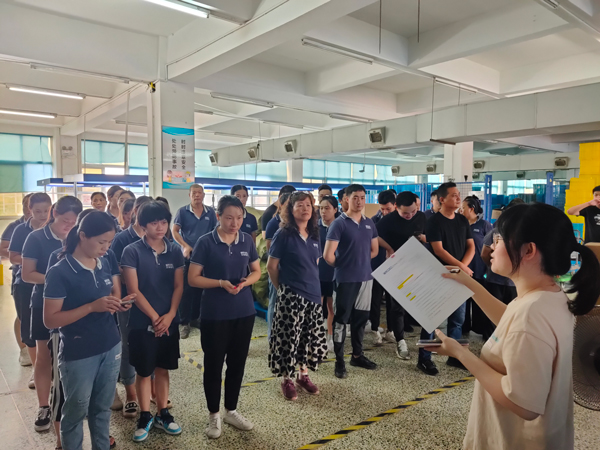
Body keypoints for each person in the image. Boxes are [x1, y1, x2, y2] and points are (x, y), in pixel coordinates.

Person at [431, 203, 600, 450]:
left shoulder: (532, 313)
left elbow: (524, 404)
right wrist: (468, 283)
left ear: (529, 250)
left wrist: (461, 353)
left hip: (516, 441)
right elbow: (512, 324)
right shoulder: (549, 296)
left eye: (499, 239)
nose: (492, 247)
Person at [44, 211, 130, 450]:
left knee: (102, 409)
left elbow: (106, 298)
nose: (106, 248)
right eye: (101, 242)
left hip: (110, 345)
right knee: (76, 411)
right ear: (82, 236)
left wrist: (116, 304)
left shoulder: (104, 262)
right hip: (79, 352)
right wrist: (92, 307)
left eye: (109, 242)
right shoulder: (60, 271)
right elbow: (50, 319)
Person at [188, 195, 261, 439]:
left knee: (237, 364)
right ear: (218, 216)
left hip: (244, 312)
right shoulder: (205, 242)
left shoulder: (246, 240)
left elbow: (256, 271)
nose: (234, 223)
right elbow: (193, 278)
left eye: (239, 218)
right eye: (229, 218)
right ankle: (214, 415)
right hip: (215, 314)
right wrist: (220, 283)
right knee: (213, 365)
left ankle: (231, 410)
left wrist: (245, 283)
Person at [121, 201, 184, 443]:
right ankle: (145, 415)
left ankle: (163, 413)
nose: (160, 227)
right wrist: (156, 318)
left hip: (169, 321)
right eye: (154, 223)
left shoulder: (175, 251)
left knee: (163, 368)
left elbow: (178, 286)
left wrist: (170, 315)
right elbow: (133, 290)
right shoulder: (132, 251)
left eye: (164, 222)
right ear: (143, 225)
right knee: (144, 370)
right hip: (141, 322)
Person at [22, 195, 82, 432]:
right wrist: (59, 279)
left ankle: (70, 404)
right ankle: (44, 406)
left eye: (73, 222)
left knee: (72, 356)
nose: (69, 225)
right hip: (43, 303)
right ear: (54, 213)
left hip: (72, 305)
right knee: (44, 356)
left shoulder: (77, 237)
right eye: (65, 220)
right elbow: (28, 274)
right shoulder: (36, 237)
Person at [268, 191, 327, 400]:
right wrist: (283, 289)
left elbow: (315, 265)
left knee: (308, 338)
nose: (305, 209)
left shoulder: (315, 234)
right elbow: (271, 266)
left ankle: (303, 375)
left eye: (308, 205)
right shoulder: (283, 234)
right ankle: (287, 379)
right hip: (291, 296)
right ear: (291, 210)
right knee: (288, 339)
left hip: (313, 295)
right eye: (300, 205)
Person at [324, 184, 379, 379]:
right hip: (345, 280)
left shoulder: (369, 223)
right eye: (355, 197)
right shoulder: (339, 224)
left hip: (366, 279)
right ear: (347, 199)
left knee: (361, 320)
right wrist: (345, 265)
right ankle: (339, 361)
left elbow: (374, 250)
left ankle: (357, 355)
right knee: (341, 321)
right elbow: (328, 255)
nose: (359, 201)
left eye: (362, 197)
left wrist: (360, 262)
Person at [421, 182, 474, 375]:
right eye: (454, 195)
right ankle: (424, 359)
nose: (458, 198)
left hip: (459, 276)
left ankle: (455, 356)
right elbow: (439, 250)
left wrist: (463, 267)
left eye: (458, 195)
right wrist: (461, 267)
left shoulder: (462, 220)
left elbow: (471, 246)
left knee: (457, 320)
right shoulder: (434, 221)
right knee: (431, 319)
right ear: (442, 199)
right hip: (439, 275)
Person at [110, 196, 152, 419]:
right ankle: (131, 395)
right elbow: (114, 271)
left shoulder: (157, 237)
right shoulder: (122, 239)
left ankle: (151, 390)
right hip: (128, 301)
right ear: (135, 212)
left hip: (153, 300)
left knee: (151, 343)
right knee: (128, 346)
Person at [376, 191, 427, 360]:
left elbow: (430, 236)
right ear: (396, 207)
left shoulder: (421, 217)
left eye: (413, 211)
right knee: (397, 306)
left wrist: (424, 238)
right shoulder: (387, 220)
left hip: (418, 267)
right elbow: (374, 236)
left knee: (421, 304)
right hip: (396, 267)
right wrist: (389, 248)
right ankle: (400, 340)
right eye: (405, 213)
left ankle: (427, 342)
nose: (410, 215)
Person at [9, 193, 50, 380]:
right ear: (29, 210)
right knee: (30, 328)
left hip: (48, 284)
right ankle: (36, 370)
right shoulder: (20, 230)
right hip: (25, 284)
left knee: (48, 327)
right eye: (38, 211)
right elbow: (13, 257)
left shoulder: (54, 229)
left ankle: (51, 367)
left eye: (46, 211)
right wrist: (31, 260)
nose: (42, 215)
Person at [172, 184, 217, 339]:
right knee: (186, 290)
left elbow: (215, 231)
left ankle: (195, 318)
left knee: (200, 289)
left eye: (199, 193)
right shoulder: (182, 212)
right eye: (194, 193)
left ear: (203, 195)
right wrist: (185, 246)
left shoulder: (210, 212)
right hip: (188, 256)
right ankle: (184, 322)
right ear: (189, 195)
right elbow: (174, 231)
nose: (197, 195)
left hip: (205, 257)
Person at [2, 193, 32, 366]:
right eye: (28, 205)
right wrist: (28, 258)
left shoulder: (48, 226)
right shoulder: (16, 227)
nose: (30, 210)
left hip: (41, 278)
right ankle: (24, 350)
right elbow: (3, 249)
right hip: (21, 277)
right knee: (22, 314)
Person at [461, 196, 493, 337]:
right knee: (464, 300)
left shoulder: (484, 225)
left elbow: (491, 247)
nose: (460, 211)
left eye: (463, 208)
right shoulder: (461, 225)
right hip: (464, 269)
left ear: (471, 209)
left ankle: (480, 328)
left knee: (479, 299)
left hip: (480, 269)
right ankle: (464, 327)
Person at [368, 189, 397, 343]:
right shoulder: (373, 221)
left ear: (395, 205)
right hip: (377, 264)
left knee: (393, 300)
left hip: (394, 265)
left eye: (388, 209)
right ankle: (375, 330)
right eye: (382, 209)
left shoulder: (398, 221)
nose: (385, 212)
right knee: (376, 299)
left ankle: (391, 330)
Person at [264, 192, 293, 341]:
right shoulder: (273, 223)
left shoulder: (294, 224)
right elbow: (270, 250)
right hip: (277, 269)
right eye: (288, 205)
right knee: (274, 302)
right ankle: (272, 336)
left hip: (291, 272)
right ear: (281, 205)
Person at [318, 195, 338, 353]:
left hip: (334, 273)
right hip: (317, 274)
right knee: (317, 308)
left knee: (331, 308)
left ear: (335, 210)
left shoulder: (339, 226)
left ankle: (330, 338)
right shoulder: (314, 227)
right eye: (321, 208)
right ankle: (316, 338)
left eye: (327, 208)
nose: (323, 211)